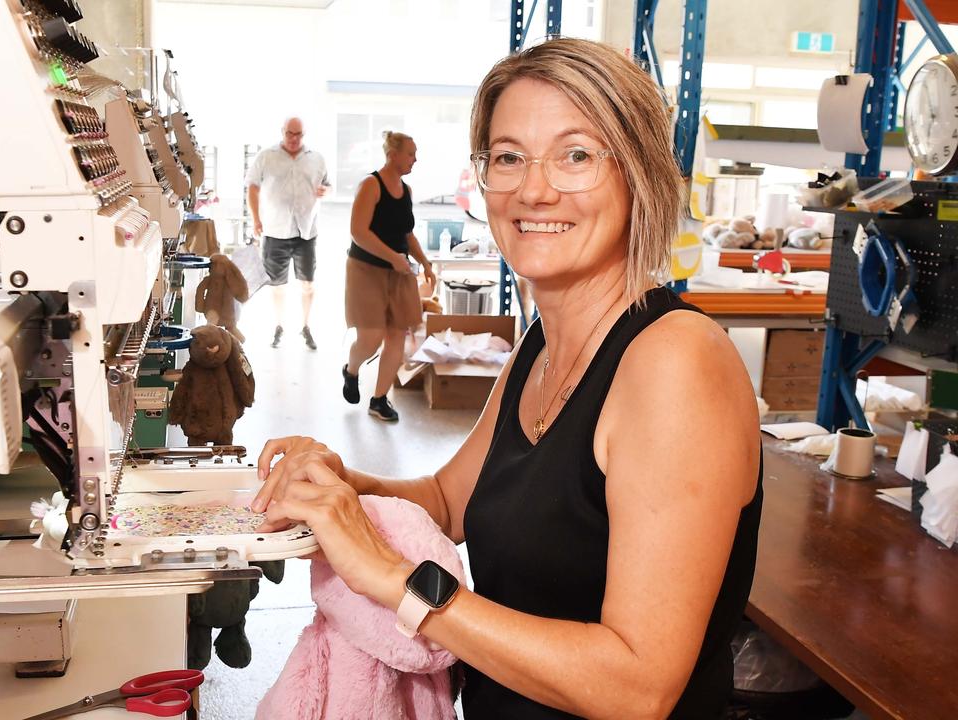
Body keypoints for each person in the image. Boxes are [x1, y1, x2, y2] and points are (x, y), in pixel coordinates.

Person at [250, 38, 762, 719]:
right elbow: (448, 499)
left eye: (576, 155)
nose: (533, 188)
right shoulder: (542, 347)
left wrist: (395, 581)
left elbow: (639, 686)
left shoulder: (676, 363)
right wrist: (342, 489)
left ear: (638, 174)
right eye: (508, 156)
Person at [343, 130, 435, 422]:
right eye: (411, 153)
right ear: (393, 154)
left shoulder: (405, 191)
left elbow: (406, 233)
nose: (415, 159)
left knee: (398, 334)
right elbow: (358, 232)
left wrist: (424, 261)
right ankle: (351, 369)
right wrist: (392, 257)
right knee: (370, 337)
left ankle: (379, 399)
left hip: (399, 270)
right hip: (366, 270)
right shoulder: (371, 185)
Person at [247, 116, 332, 349]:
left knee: (307, 282)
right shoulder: (267, 156)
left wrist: (326, 190)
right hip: (275, 229)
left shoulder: (316, 158)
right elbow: (252, 187)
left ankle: (306, 326)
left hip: (306, 229)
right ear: (282, 132)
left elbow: (327, 184)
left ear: (304, 135)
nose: (294, 139)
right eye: (289, 134)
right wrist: (256, 218)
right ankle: (279, 325)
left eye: (299, 134)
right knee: (277, 284)